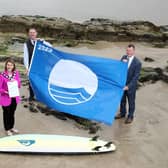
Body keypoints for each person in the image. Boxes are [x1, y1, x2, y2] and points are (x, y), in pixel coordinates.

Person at [115, 44, 142, 124]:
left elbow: (135, 77)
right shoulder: (123, 58)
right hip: (122, 85)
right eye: (127, 50)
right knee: (122, 100)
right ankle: (122, 113)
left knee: (131, 102)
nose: (128, 52)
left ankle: (130, 116)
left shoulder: (137, 63)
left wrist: (128, 86)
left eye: (130, 50)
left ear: (133, 51)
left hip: (131, 87)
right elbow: (119, 69)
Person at [23, 28, 51, 101]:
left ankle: (41, 96)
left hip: (41, 66)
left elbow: (51, 47)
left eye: (33, 32)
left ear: (36, 33)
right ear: (29, 34)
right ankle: (31, 96)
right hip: (32, 66)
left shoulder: (41, 42)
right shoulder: (26, 43)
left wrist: (44, 41)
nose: (32, 34)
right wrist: (27, 68)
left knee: (41, 81)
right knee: (31, 81)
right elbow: (25, 57)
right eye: (30, 32)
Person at [0, 59, 21, 136]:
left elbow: (19, 85)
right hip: (5, 98)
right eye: (8, 65)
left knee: (12, 113)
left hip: (14, 97)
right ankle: (7, 129)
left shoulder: (16, 74)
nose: (9, 66)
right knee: (6, 114)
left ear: (13, 66)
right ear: (6, 65)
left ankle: (11, 127)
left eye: (11, 65)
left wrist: (15, 82)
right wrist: (6, 92)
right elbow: (0, 88)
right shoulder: (2, 75)